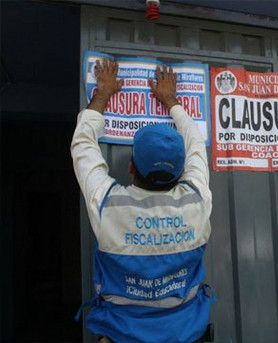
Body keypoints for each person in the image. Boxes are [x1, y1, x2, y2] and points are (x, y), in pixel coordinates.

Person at [71, 58, 213, 343]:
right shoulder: (197, 201)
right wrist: (171, 101)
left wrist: (103, 94)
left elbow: (83, 143)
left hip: (120, 335)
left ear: (131, 168)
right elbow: (196, 142)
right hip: (187, 333)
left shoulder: (108, 206)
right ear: (182, 171)